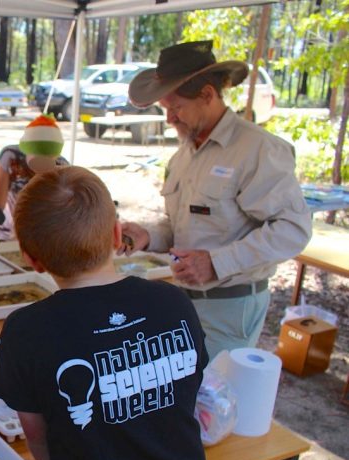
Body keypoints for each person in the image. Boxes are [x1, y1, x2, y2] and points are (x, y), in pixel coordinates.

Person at [0, 166, 211, 460]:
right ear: (116, 234)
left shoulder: (28, 329)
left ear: (30, 257)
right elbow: (182, 399)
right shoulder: (174, 302)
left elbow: (36, 435)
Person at [121, 40, 312, 357]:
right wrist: (148, 236)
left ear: (207, 95)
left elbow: (293, 229)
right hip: (185, 301)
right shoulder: (185, 154)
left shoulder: (258, 149)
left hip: (230, 308)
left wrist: (217, 263)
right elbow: (181, 225)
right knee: (188, 400)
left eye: (175, 107)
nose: (169, 119)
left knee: (217, 402)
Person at [0, 113, 69, 245]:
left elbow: (61, 211)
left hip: (43, 236)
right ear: (25, 149)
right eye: (36, 160)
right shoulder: (10, 157)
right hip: (9, 233)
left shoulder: (63, 166)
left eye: (47, 161)